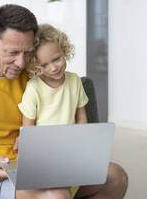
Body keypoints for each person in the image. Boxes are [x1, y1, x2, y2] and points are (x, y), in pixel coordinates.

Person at [0, 4, 128, 199]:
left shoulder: (32, 72)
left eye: (28, 52)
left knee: (116, 177)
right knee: (56, 195)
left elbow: (62, 95)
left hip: (37, 164)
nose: (21, 63)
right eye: (13, 53)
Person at [13, 23, 89, 197]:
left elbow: (82, 118)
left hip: (70, 150)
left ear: (64, 51)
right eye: (44, 65)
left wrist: (84, 147)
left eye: (56, 59)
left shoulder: (75, 81)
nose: (54, 68)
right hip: (45, 155)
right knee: (61, 192)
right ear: (35, 66)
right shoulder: (34, 88)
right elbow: (28, 129)